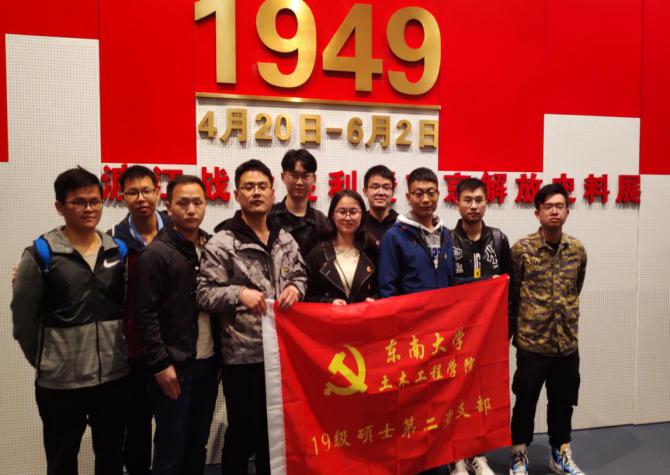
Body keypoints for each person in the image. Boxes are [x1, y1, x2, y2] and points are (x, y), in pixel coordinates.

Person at [12, 167, 129, 474]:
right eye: (78, 202)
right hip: (61, 383)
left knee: (111, 458)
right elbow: (23, 321)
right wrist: (48, 361)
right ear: (59, 206)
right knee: (62, 461)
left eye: (95, 201)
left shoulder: (116, 250)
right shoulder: (42, 253)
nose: (89, 208)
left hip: (113, 377)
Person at [197, 159, 307, 475]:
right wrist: (238, 294)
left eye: (262, 186)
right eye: (248, 187)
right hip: (241, 357)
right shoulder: (222, 242)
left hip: (281, 356)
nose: (256, 192)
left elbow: (301, 274)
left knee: (274, 435)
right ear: (237, 194)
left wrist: (296, 289)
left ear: (273, 192)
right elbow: (203, 294)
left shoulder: (285, 239)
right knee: (243, 434)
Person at [135, 175, 219, 475]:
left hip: (208, 362)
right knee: (171, 448)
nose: (191, 210)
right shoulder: (155, 254)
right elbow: (144, 315)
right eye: (182, 203)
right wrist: (160, 365)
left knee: (197, 444)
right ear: (168, 207)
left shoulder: (212, 247)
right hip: (174, 368)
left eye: (198, 202)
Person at [508, 183, 587, 475]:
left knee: (563, 403)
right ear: (537, 213)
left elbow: (576, 286)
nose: (554, 211)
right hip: (532, 344)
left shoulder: (577, 249)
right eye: (548, 207)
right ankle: (519, 455)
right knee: (525, 402)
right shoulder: (522, 249)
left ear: (567, 211)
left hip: (566, 344)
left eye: (560, 206)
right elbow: (513, 294)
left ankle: (560, 453)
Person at [449, 178, 511, 475]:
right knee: (456, 393)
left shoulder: (498, 239)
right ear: (457, 203)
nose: (473, 206)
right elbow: (445, 286)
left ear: (487, 203)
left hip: (489, 333)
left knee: (482, 394)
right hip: (456, 334)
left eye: (478, 200)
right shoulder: (447, 240)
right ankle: (456, 456)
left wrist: (506, 329)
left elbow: (509, 286)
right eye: (467, 200)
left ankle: (478, 454)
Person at [110, 165, 169, 475]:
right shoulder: (113, 242)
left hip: (174, 349)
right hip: (132, 351)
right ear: (122, 197)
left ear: (158, 192)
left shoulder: (179, 232)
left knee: (174, 428)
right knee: (136, 427)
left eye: (146, 190)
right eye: (133, 192)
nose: (141, 198)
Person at [378, 167, 455, 297]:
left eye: (431, 193)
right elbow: (387, 289)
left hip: (444, 309)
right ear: (408, 197)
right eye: (418, 194)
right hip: (411, 310)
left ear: (438, 195)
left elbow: (452, 281)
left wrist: (488, 280)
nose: (425, 199)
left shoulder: (446, 234)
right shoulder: (394, 236)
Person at [305, 189, 377, 304]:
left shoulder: (372, 251)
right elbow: (307, 296)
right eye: (342, 212)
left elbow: (381, 289)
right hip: (329, 315)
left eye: (353, 212)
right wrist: (329, 302)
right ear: (333, 215)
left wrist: (373, 299)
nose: (348, 217)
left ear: (362, 215)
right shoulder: (317, 255)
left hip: (363, 315)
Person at [269, 148, 327, 256]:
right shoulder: (269, 216)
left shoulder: (321, 222)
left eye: (305, 176)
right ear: (283, 177)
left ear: (314, 178)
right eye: (294, 176)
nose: (299, 182)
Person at [362, 164, 398, 252]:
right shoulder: (358, 223)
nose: (381, 192)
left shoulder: (401, 224)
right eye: (375, 187)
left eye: (386, 187)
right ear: (365, 191)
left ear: (393, 192)